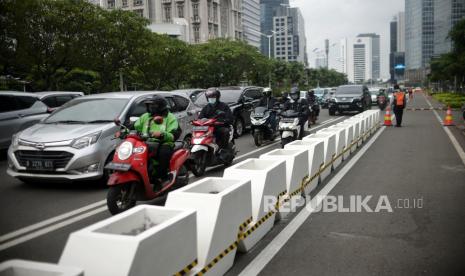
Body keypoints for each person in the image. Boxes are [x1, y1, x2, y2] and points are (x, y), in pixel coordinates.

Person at [133, 95, 181, 187]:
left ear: (160, 106)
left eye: (153, 106)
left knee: (164, 153)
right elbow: (135, 126)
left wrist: (162, 134)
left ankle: (162, 177)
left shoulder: (170, 117)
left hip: (164, 143)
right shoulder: (145, 116)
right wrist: (123, 131)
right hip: (146, 142)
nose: (151, 108)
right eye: (149, 106)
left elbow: (174, 133)